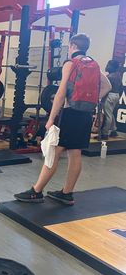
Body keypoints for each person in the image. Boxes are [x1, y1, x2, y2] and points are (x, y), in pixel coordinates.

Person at [15, 34, 111, 205]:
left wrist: (51, 118)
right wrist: (92, 100)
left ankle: (36, 191)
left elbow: (60, 93)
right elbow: (107, 86)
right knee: (75, 153)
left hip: (70, 113)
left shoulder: (71, 64)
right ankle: (67, 193)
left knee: (54, 152)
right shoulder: (94, 64)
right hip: (85, 115)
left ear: (73, 45)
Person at [100, 59, 122, 139]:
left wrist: (102, 99)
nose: (107, 66)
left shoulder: (109, 77)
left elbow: (106, 89)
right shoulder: (118, 75)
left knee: (108, 115)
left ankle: (105, 133)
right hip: (116, 95)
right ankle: (114, 130)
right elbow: (120, 88)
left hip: (109, 95)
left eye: (109, 65)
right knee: (110, 113)